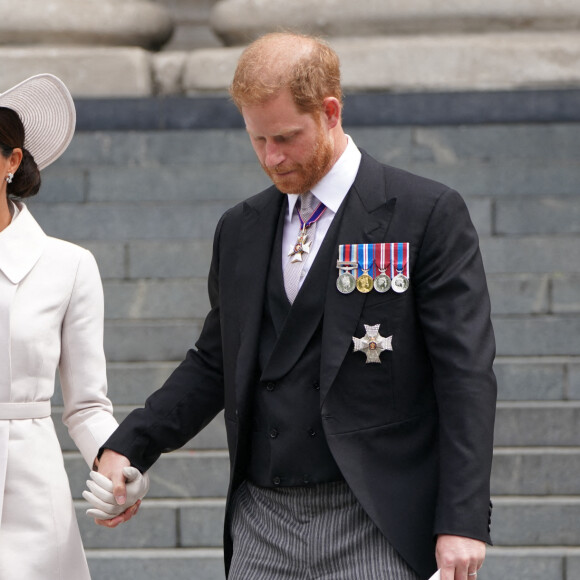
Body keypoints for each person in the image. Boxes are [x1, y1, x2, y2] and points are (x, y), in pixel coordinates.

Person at [90, 32, 497, 580]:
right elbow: (216, 361)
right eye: (257, 140)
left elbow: (465, 375)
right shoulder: (240, 228)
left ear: (330, 112)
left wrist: (463, 519)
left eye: (285, 137)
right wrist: (129, 446)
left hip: (375, 519)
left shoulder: (425, 214)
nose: (272, 158)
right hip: (262, 521)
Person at [0, 74, 147, 580]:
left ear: (12, 161)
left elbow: (86, 406)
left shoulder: (68, 266)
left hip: (28, 492)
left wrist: (117, 465)